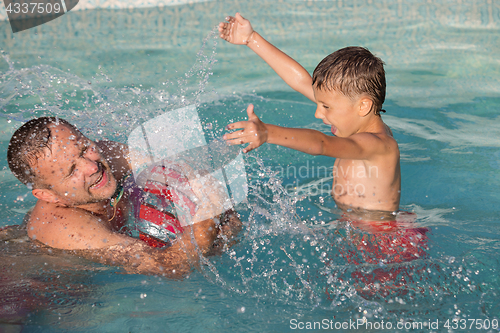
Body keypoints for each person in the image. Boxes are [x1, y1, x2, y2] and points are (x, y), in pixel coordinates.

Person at [6, 117, 241, 277]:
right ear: (49, 195)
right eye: (71, 171)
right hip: (40, 277)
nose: (91, 167)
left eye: (84, 148)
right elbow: (171, 267)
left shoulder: (106, 156)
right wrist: (208, 216)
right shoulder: (65, 227)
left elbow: (183, 169)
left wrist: (223, 221)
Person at [219, 13, 400, 215]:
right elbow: (300, 81)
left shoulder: (380, 146)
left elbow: (322, 143)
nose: (317, 113)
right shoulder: (352, 115)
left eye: (326, 107)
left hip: (379, 240)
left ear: (363, 106)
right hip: (351, 225)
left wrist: (268, 133)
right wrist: (251, 39)